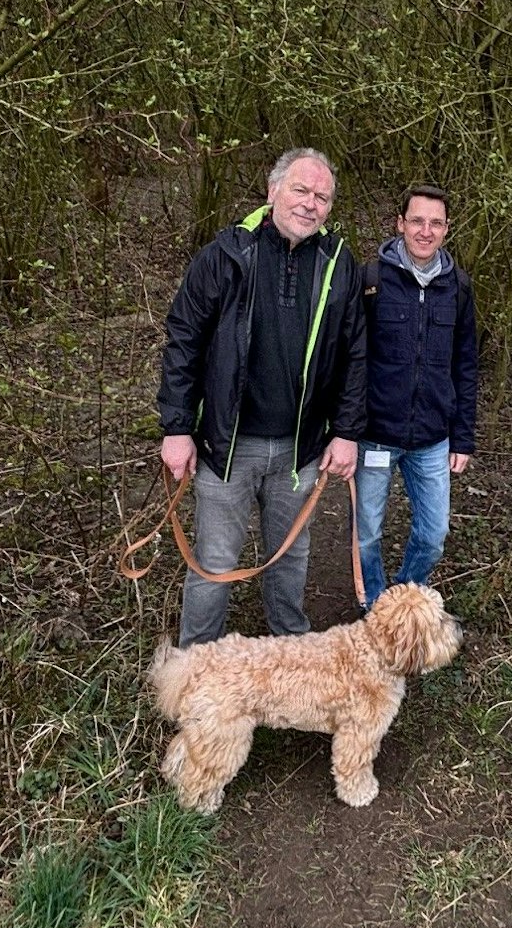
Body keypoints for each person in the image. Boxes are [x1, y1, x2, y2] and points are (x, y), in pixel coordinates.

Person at [157, 147, 366, 647]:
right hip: (228, 447)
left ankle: (291, 653)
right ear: (273, 191)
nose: (310, 204)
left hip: (301, 450)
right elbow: (184, 338)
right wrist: (177, 426)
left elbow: (355, 353)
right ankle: (195, 668)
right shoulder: (227, 254)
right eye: (301, 189)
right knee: (214, 563)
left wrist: (348, 432)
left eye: (322, 197)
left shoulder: (339, 265)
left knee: (291, 556)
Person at [354, 185, 479, 609]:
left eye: (436, 223)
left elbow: (465, 365)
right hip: (375, 434)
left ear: (446, 229)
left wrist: (462, 437)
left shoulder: (458, 287)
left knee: (433, 534)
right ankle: (373, 605)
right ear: (401, 224)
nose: (426, 231)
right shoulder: (370, 280)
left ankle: (402, 595)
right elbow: (351, 359)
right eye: (417, 221)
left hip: (433, 437)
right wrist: (345, 428)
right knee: (366, 532)